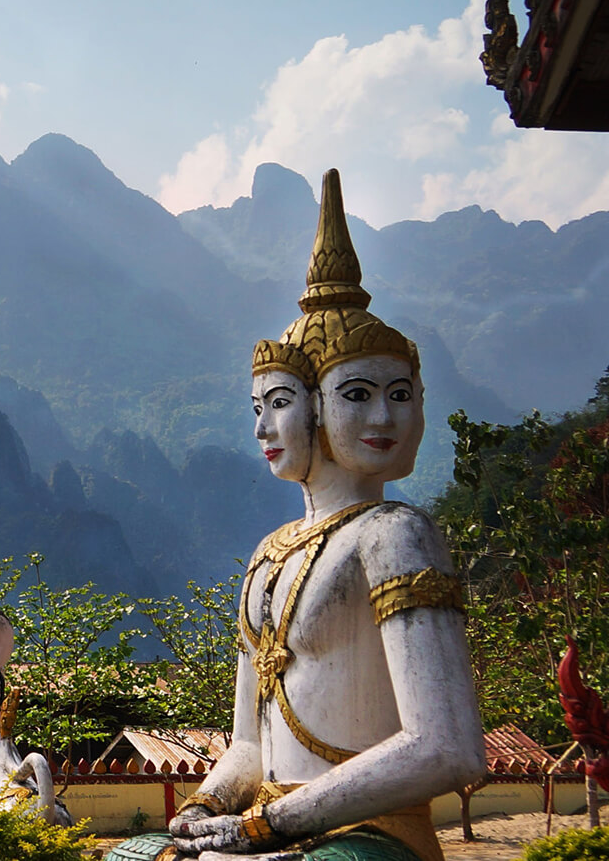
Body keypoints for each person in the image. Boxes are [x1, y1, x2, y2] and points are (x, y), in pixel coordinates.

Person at [115, 170, 484, 861]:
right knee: (129, 856)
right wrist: (206, 805)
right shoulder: (267, 557)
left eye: (399, 394)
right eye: (262, 407)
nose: (384, 416)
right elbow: (252, 745)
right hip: (273, 828)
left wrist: (270, 827)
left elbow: (447, 746)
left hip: (370, 836)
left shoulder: (397, 536)